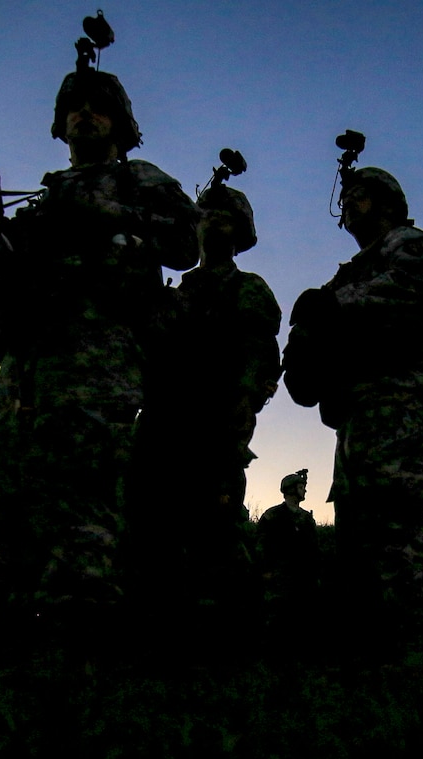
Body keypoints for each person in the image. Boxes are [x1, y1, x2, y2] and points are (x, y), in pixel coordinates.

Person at [0, 58, 200, 608]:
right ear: (60, 123)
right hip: (27, 361)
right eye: (74, 108)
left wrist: (105, 210)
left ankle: (84, 615)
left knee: (82, 485)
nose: (85, 115)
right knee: (14, 485)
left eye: (98, 108)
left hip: (97, 354)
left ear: (120, 124)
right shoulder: (42, 200)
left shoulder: (137, 178)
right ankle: (24, 614)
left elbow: (187, 245)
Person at [285, 148, 423, 638]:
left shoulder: (411, 242)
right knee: (356, 519)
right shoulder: (351, 270)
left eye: (358, 196)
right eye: (345, 199)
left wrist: (331, 305)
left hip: (400, 398)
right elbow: (318, 329)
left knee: (396, 515)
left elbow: (408, 291)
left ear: (386, 201)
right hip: (358, 408)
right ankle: (368, 633)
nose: (348, 206)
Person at [127, 170, 280, 584]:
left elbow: (258, 365)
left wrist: (233, 428)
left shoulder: (249, 290)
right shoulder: (176, 292)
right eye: (206, 213)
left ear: (240, 232)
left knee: (213, 548)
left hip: (213, 435)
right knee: (145, 544)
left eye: (224, 216)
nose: (211, 221)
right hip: (158, 428)